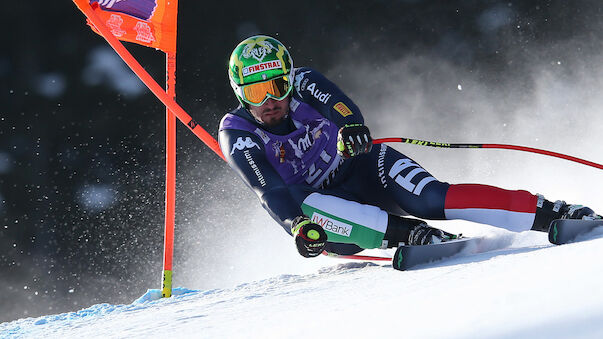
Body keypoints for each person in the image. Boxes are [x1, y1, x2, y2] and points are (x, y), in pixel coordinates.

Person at [218, 35, 601, 258]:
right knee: (300, 200)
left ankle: (550, 212)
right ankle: (408, 234)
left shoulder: (303, 82)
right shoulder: (237, 132)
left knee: (432, 198)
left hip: (362, 171)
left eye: (276, 87)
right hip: (333, 223)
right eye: (255, 92)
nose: (269, 101)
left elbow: (340, 106)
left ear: (289, 79)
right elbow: (269, 189)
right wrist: (297, 226)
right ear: (240, 93)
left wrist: (351, 126)